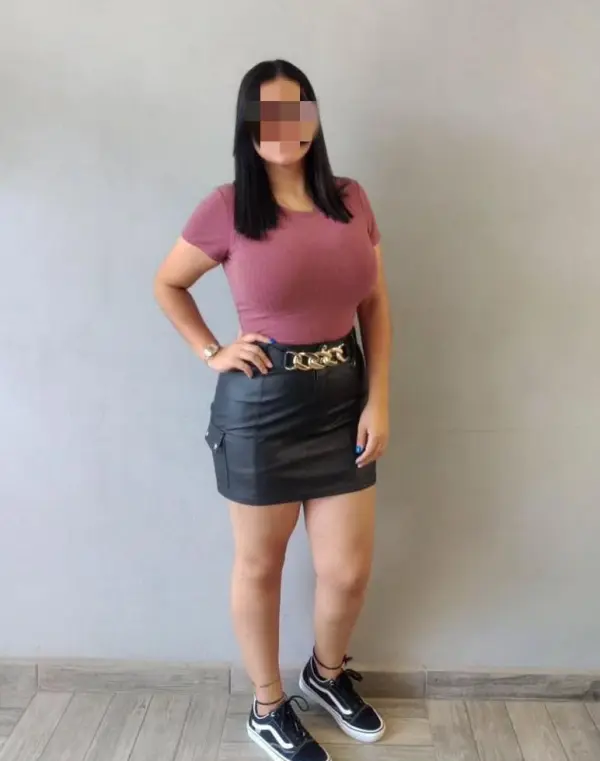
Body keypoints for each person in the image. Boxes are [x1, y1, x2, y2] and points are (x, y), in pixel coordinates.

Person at [154, 59, 392, 761]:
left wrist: (379, 396)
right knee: (261, 565)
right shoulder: (227, 208)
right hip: (261, 410)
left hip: (343, 400)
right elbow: (168, 284)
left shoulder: (350, 198)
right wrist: (212, 350)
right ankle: (267, 705)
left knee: (346, 570)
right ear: (249, 127)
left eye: (295, 109)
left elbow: (375, 303)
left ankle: (326, 672)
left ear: (312, 117)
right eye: (267, 114)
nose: (284, 127)